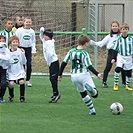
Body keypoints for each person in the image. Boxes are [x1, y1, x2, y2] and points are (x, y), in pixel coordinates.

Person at [58, 34, 101, 115]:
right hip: (83, 75)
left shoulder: (71, 51)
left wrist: (60, 74)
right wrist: (97, 73)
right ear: (86, 43)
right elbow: (89, 66)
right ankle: (91, 90)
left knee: (83, 93)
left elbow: (64, 63)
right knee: (95, 94)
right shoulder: (84, 53)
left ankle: (92, 110)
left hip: (74, 76)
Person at [91, 21, 126, 88]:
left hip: (119, 53)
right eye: (113, 26)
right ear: (111, 27)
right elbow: (101, 44)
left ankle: (124, 83)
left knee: (122, 67)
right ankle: (104, 82)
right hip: (111, 52)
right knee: (108, 67)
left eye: (116, 26)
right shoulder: (109, 36)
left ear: (118, 27)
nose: (114, 27)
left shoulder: (121, 36)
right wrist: (92, 42)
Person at [39, 27, 60, 103]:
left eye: (45, 35)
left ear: (48, 36)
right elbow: (41, 37)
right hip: (51, 63)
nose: (43, 36)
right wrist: (42, 30)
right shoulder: (45, 41)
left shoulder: (50, 42)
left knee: (53, 78)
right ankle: (55, 93)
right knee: (52, 79)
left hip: (54, 62)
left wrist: (49, 57)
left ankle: (56, 94)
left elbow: (50, 53)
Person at [15, 17, 36, 87]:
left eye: (29, 22)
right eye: (27, 22)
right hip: (21, 48)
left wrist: (34, 50)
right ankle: (20, 80)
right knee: (21, 65)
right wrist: (17, 48)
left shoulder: (32, 31)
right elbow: (16, 39)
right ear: (24, 22)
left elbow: (33, 41)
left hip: (28, 49)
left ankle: (28, 80)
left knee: (29, 65)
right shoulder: (19, 31)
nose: (28, 23)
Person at [111, 23, 133, 91]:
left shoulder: (131, 39)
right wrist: (113, 58)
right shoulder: (118, 39)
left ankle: (128, 85)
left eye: (126, 29)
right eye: (123, 29)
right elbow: (115, 49)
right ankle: (116, 84)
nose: (124, 31)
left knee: (129, 72)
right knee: (118, 69)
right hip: (121, 56)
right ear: (121, 30)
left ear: (128, 30)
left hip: (128, 57)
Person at [7, 35, 27, 102]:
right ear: (10, 43)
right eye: (14, 42)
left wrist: (23, 54)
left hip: (19, 71)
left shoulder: (20, 51)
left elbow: (24, 62)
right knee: (11, 84)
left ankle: (22, 97)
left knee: (21, 82)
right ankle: (11, 96)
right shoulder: (8, 52)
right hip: (11, 72)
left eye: (16, 42)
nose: (15, 43)